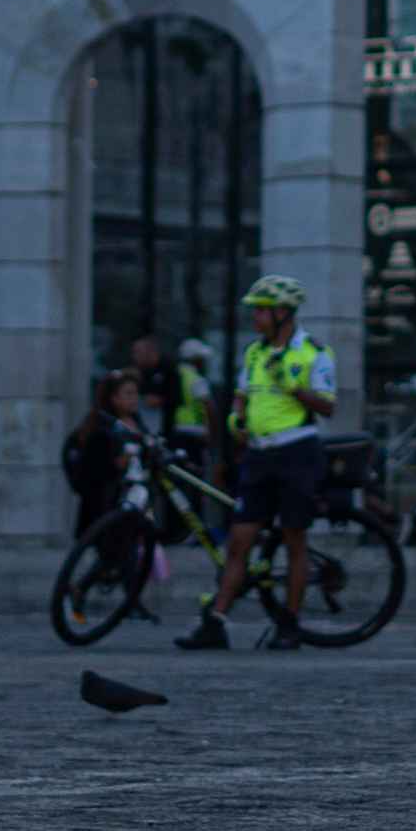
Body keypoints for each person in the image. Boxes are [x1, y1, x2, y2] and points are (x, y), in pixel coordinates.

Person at [177, 275, 336, 651]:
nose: (255, 317)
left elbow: (328, 406)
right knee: (239, 541)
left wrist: (295, 388)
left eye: (261, 311)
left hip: (297, 451)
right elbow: (240, 397)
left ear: (283, 312)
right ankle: (216, 623)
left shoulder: (314, 351)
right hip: (259, 455)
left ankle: (290, 624)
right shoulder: (254, 353)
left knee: (294, 539)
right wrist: (237, 420)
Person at [64, 371, 154, 532]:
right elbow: (91, 470)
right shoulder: (101, 429)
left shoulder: (137, 423)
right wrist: (118, 463)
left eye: (136, 393)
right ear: (114, 398)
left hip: (138, 499)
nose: (134, 398)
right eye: (128, 393)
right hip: (109, 505)